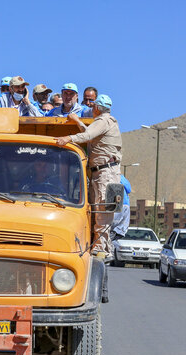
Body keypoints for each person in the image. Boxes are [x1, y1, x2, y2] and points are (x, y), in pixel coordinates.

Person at [55, 94, 122, 256]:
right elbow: (90, 134)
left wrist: (67, 139)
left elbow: (87, 136)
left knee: (102, 209)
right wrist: (78, 121)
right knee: (98, 209)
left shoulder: (103, 121)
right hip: (102, 172)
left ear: (97, 108)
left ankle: (100, 247)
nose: (92, 109)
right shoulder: (106, 122)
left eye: (93, 107)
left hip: (105, 173)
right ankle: (99, 245)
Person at [111, 174, 132, 242]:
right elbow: (128, 189)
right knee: (123, 223)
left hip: (114, 204)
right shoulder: (121, 177)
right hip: (125, 204)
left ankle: (112, 234)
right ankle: (118, 232)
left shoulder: (109, 176)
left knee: (111, 223)